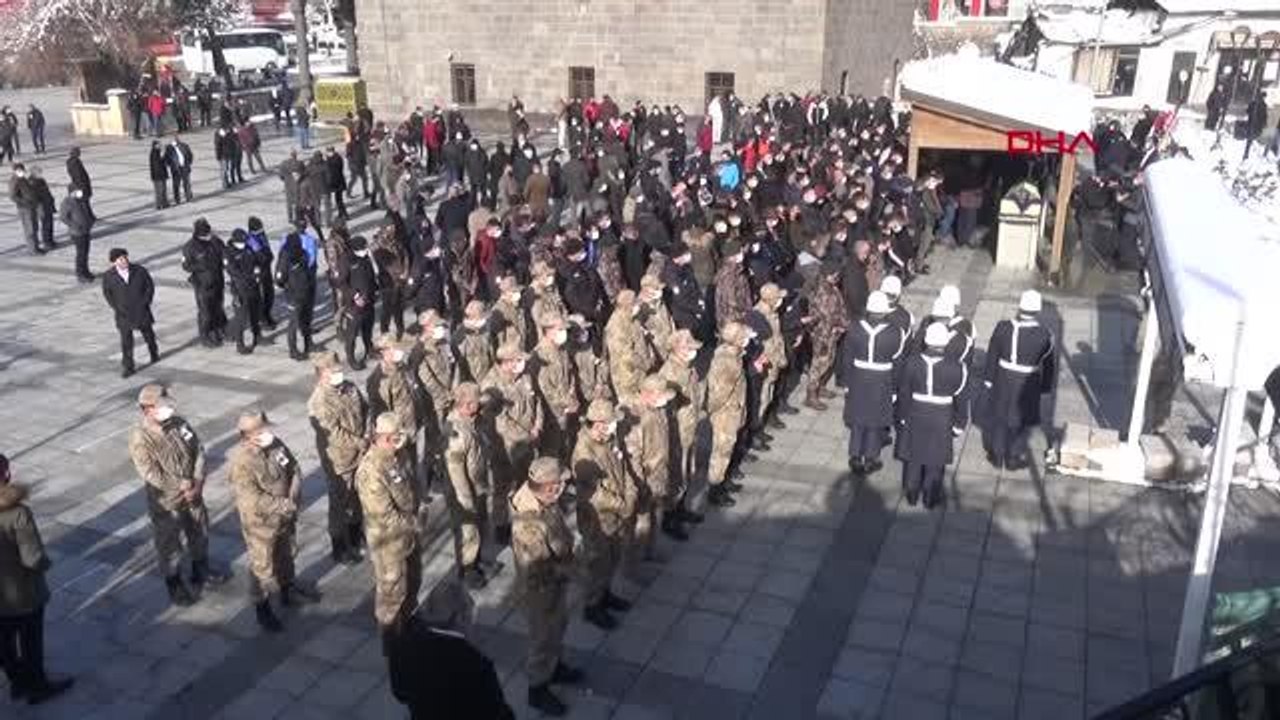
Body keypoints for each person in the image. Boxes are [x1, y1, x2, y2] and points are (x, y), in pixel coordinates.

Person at [127, 384, 229, 606]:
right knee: (169, 543)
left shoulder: (179, 424)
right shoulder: (141, 438)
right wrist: (181, 486)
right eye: (162, 405)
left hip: (193, 492)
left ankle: (200, 569)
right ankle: (174, 583)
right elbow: (150, 473)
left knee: (199, 530)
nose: (168, 409)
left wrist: (197, 482)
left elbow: (198, 449)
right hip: (167, 501)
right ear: (148, 409)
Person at [228, 412, 320, 632]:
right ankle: (262, 607)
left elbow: (293, 468)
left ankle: (288, 590)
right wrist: (284, 505)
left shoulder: (276, 445)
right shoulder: (242, 461)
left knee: (286, 554)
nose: (268, 432)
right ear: (248, 435)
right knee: (262, 566)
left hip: (284, 516)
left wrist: (293, 495)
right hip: (261, 524)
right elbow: (252, 498)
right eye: (262, 430)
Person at [0, 454, 75, 706]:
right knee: (30, 640)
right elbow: (33, 558)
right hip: (23, 593)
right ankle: (37, 686)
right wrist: (45, 565)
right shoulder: (18, 513)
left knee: (4, 642)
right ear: (6, 475)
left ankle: (17, 682)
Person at [511, 457, 583, 717]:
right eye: (558, 484)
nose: (563, 488)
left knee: (557, 627)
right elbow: (538, 568)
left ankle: (555, 666)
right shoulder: (528, 523)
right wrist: (573, 571)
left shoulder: (545, 499)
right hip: (539, 591)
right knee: (542, 639)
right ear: (547, 486)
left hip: (554, 583)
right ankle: (538, 688)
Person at [386, 581, 514, 720]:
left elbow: (400, 693)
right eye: (471, 615)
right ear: (459, 617)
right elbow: (496, 713)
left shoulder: (401, 644)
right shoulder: (477, 664)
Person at [356, 412, 423, 646]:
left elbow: (410, 481)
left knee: (413, 578)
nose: (401, 441)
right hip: (387, 540)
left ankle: (407, 620)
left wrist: (418, 505)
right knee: (392, 590)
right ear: (383, 437)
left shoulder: (398, 454)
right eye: (396, 437)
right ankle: (391, 637)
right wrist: (414, 523)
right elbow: (384, 516)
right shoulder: (371, 471)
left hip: (407, 532)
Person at [572, 397, 637, 631]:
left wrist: (631, 492)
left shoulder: (608, 439)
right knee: (597, 562)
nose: (614, 426)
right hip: (597, 520)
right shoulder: (584, 452)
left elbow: (623, 468)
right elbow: (593, 494)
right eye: (610, 422)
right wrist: (623, 505)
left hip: (617, 512)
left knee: (613, 556)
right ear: (598, 423)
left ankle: (605, 594)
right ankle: (592, 606)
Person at [895, 323, 969, 508]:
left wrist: (902, 416)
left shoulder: (911, 362)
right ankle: (930, 495)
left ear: (926, 341)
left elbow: (904, 392)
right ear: (945, 343)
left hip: (916, 413)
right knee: (936, 458)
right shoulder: (958, 368)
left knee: (914, 455)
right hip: (942, 416)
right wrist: (960, 424)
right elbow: (961, 399)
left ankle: (911, 492)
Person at [307, 351, 369, 565]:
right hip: (338, 461)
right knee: (339, 504)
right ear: (321, 374)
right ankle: (340, 547)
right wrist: (360, 442)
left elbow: (365, 409)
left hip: (360, 454)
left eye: (338, 369)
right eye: (332, 371)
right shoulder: (319, 401)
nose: (338, 374)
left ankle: (355, 534)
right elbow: (334, 434)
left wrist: (367, 433)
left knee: (358, 497)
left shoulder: (349, 387)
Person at [982, 290, 1056, 470]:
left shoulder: (1003, 327)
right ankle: (1013, 457)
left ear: (1020, 307)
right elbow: (1048, 364)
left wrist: (989, 379)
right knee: (1022, 421)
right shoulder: (1045, 335)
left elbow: (993, 353)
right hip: (1028, 382)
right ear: (1037, 310)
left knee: (1000, 417)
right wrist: (1045, 387)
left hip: (1003, 377)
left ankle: (996, 455)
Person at [480, 341, 542, 546]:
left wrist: (537, 425)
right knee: (502, 486)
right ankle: (500, 525)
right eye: (517, 360)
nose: (522, 364)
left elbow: (536, 402)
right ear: (506, 363)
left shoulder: (524, 377)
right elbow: (498, 422)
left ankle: (525, 518)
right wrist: (525, 434)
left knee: (524, 481)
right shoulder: (491, 386)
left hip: (527, 441)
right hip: (504, 446)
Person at [842, 291, 907, 475]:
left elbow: (847, 358)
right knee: (875, 420)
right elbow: (898, 363)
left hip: (858, 377)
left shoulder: (854, 328)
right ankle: (871, 457)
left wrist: (847, 382)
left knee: (858, 418)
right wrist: (894, 388)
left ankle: (855, 456)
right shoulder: (896, 332)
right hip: (882, 378)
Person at [444, 382, 491, 589]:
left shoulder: (472, 420)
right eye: (477, 403)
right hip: (463, 491)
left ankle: (476, 560)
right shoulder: (456, 432)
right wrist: (466, 500)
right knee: (467, 530)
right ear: (467, 404)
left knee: (479, 524)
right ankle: (467, 568)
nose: (480, 406)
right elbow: (456, 473)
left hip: (477, 484)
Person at [101, 248, 160, 377]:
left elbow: (149, 287)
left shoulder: (139, 271)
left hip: (141, 310)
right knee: (126, 342)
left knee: (148, 335)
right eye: (121, 259)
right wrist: (117, 307)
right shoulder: (108, 276)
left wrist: (145, 302)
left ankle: (154, 353)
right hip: (124, 313)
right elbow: (108, 294)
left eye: (125, 257)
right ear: (114, 262)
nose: (125, 261)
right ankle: (128, 367)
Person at [182, 218, 228, 348]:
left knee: (218, 307)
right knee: (205, 312)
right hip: (202, 285)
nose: (209, 235)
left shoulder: (216, 241)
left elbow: (224, 254)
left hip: (218, 281)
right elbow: (186, 266)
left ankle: (218, 329)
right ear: (199, 234)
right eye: (206, 234)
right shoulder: (190, 247)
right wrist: (201, 266)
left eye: (209, 232)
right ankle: (205, 335)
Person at [224, 229, 264, 354]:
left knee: (255, 313)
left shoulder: (248, 248)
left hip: (253, 286)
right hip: (240, 289)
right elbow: (234, 271)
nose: (244, 244)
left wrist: (258, 268)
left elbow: (257, 260)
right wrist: (252, 275)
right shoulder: (228, 253)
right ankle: (240, 344)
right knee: (241, 317)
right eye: (242, 242)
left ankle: (257, 336)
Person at [58, 184, 96, 282]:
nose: (80, 193)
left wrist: (91, 220)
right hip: (77, 232)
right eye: (77, 191)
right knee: (81, 254)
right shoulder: (67, 202)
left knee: (85, 253)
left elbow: (88, 211)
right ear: (71, 192)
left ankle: (86, 271)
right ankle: (80, 274)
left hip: (86, 230)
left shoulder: (82, 200)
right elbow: (63, 217)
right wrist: (74, 225)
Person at [10, 164, 48, 255]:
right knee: (30, 229)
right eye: (19, 170)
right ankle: (33, 250)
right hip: (25, 208)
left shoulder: (22, 179)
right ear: (15, 171)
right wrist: (25, 202)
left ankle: (36, 247)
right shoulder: (14, 181)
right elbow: (13, 196)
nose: (21, 172)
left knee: (34, 227)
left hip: (31, 207)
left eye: (22, 170)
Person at [165, 135, 194, 205]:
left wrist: (188, 163)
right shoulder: (169, 148)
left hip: (184, 167)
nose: (177, 140)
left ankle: (188, 197)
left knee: (187, 183)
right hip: (176, 169)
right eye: (175, 139)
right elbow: (167, 158)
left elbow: (190, 154)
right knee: (176, 185)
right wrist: (171, 165)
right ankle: (177, 199)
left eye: (177, 139)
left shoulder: (184, 145)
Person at [325, 146, 349, 223]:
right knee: (338, 199)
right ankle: (342, 213)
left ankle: (344, 214)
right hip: (338, 182)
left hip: (338, 183)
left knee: (339, 200)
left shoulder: (336, 159)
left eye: (328, 151)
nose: (328, 153)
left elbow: (335, 171)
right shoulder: (334, 158)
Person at [65, 147, 91, 213]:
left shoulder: (71, 162)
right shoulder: (75, 162)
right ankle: (86, 215)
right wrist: (83, 185)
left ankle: (88, 215)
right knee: (84, 201)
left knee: (83, 201)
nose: (80, 153)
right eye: (78, 152)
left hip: (77, 184)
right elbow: (79, 175)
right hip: (80, 185)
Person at [148, 140, 169, 210]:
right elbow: (157, 164)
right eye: (159, 145)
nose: (160, 146)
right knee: (159, 191)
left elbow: (164, 161)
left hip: (162, 175)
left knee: (164, 190)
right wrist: (163, 155)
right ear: (155, 145)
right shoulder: (154, 153)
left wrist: (163, 154)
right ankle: (159, 205)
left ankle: (165, 203)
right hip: (158, 176)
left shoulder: (158, 152)